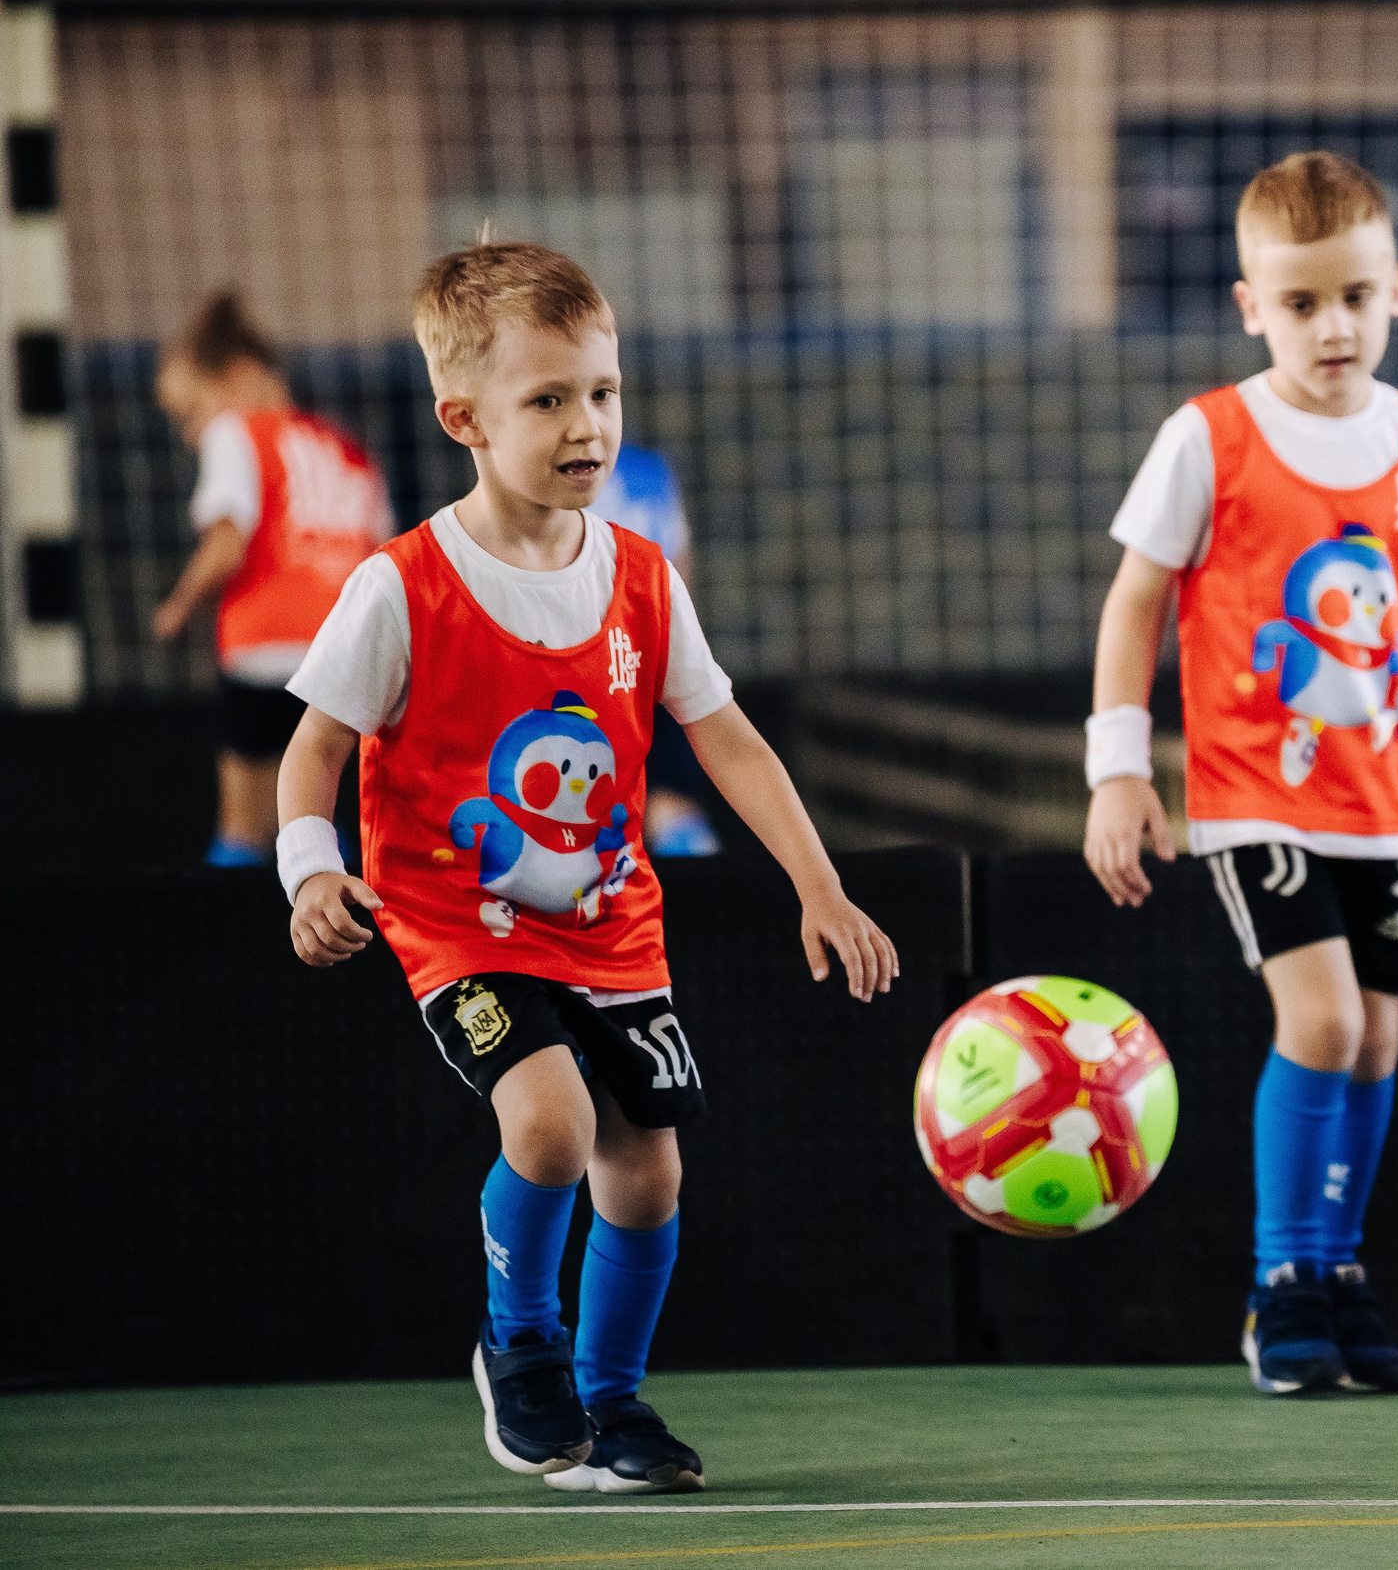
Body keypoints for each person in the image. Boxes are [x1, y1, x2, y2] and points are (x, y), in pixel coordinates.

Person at [274, 242, 900, 1491]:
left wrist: (817, 884)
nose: (587, 424)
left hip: (615, 935)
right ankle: (522, 1352)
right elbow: (314, 752)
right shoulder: (400, 589)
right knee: (552, 1128)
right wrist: (308, 870)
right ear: (464, 419)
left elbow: (726, 736)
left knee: (648, 1168)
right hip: (458, 927)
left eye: (603, 393)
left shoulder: (642, 579)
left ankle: (613, 1406)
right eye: (548, 399)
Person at [1084, 151, 1398, 1395]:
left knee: (1379, 1040)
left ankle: (1338, 1272)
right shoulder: (1209, 439)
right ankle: (1279, 1280)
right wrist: (1118, 770)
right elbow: (1135, 603)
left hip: (1384, 811)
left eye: (1353, 297)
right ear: (1250, 307)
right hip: (1252, 795)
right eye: (1299, 304)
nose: (1330, 328)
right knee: (1326, 1019)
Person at [151, 290, 390, 865]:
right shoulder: (348, 449)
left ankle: (220, 943)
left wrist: (178, 607)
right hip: (344, 658)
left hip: (262, 650)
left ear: (237, 376)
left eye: (190, 412)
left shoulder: (238, 432)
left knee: (245, 830)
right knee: (341, 827)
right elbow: (383, 561)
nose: (190, 433)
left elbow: (229, 541)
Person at [594, 444, 723, 855]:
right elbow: (679, 566)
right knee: (668, 794)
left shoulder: (549, 471)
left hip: (604, 661)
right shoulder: (649, 468)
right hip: (650, 650)